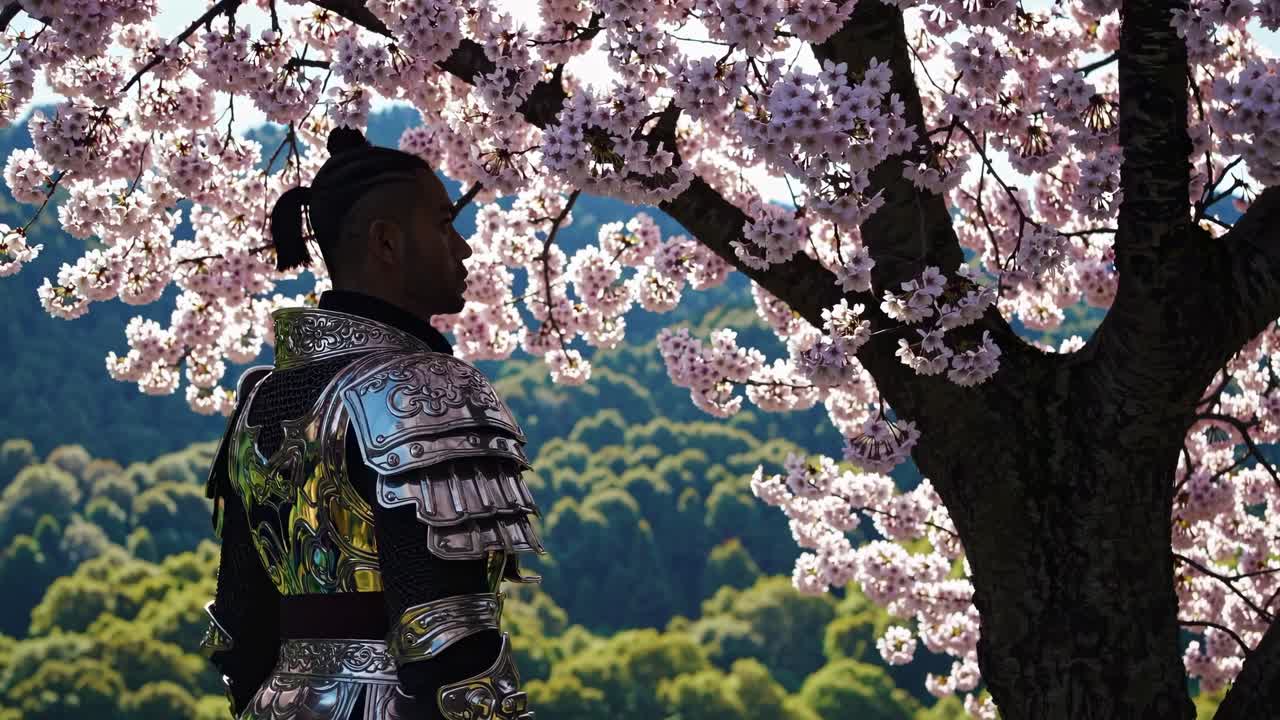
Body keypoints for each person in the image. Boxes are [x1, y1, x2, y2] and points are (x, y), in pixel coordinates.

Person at [199, 126, 545, 719]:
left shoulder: (259, 398)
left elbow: (237, 626)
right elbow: (451, 642)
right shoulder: (426, 388)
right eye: (443, 224)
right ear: (387, 243)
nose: (463, 248)